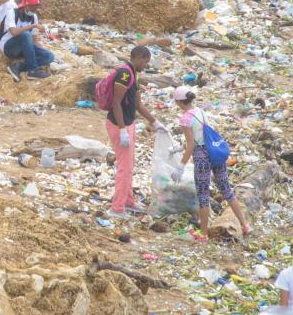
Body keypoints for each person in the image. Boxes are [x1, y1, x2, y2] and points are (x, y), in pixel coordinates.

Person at [171, 86, 250, 242]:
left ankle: (203, 234)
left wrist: (181, 165)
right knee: (226, 189)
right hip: (215, 152)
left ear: (180, 102)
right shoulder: (200, 111)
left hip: (201, 157)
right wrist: (179, 148)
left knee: (203, 195)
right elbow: (200, 135)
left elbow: (191, 144)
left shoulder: (185, 118)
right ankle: (244, 225)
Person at [105, 46, 165, 217]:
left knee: (129, 164)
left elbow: (137, 104)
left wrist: (155, 122)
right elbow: (116, 103)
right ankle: (117, 208)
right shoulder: (124, 74)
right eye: (145, 62)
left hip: (128, 123)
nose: (146, 65)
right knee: (125, 167)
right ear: (138, 57)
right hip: (118, 125)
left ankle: (128, 201)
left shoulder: (133, 74)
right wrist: (122, 129)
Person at [0, 0, 54, 81]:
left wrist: (41, 49)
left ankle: (18, 66)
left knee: (49, 56)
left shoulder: (33, 17)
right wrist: (32, 26)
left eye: (35, 8)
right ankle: (32, 71)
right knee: (25, 34)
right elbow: (13, 32)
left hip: (24, 47)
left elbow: (33, 39)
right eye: (32, 7)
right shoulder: (12, 13)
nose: (34, 10)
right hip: (9, 47)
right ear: (25, 5)